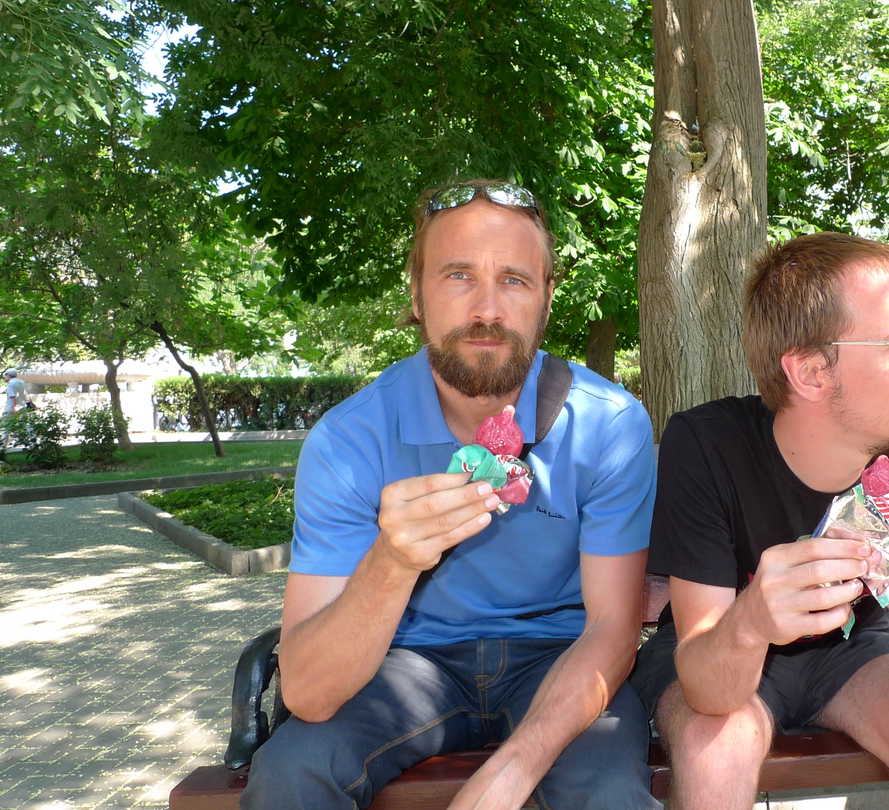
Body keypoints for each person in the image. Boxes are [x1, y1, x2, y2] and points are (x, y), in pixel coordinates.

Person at [241, 180, 661, 810]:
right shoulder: (349, 440)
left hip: (561, 655)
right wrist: (393, 560)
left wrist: (508, 776)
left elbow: (612, 629)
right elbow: (306, 691)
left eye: (514, 279)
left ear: (547, 298)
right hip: (403, 660)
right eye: (459, 275)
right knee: (290, 775)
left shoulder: (609, 425)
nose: (488, 309)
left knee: (609, 794)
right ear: (416, 294)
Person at [630, 232, 889, 810]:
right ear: (812, 373)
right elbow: (709, 688)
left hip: (854, 652)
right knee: (717, 747)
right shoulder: (707, 444)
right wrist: (751, 623)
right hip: (721, 652)